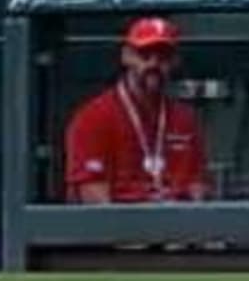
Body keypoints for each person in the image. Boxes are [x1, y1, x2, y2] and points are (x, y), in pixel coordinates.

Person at [63, 16, 209, 203]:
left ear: (175, 61)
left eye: (163, 56)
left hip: (178, 226)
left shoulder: (185, 119)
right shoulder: (93, 118)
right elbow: (95, 203)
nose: (154, 64)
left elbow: (198, 187)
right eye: (145, 54)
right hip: (120, 227)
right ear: (126, 56)